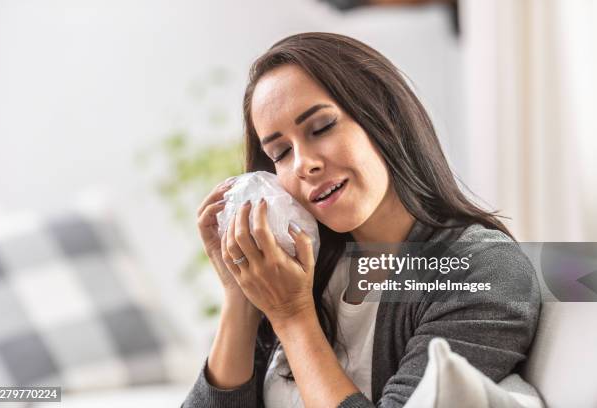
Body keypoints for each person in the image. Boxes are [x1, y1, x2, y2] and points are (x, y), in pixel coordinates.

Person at [182, 32, 540, 408]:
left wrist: (292, 316)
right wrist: (241, 297)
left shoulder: (481, 269)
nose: (304, 164)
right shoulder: (305, 268)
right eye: (281, 152)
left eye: (320, 128)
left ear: (385, 116)